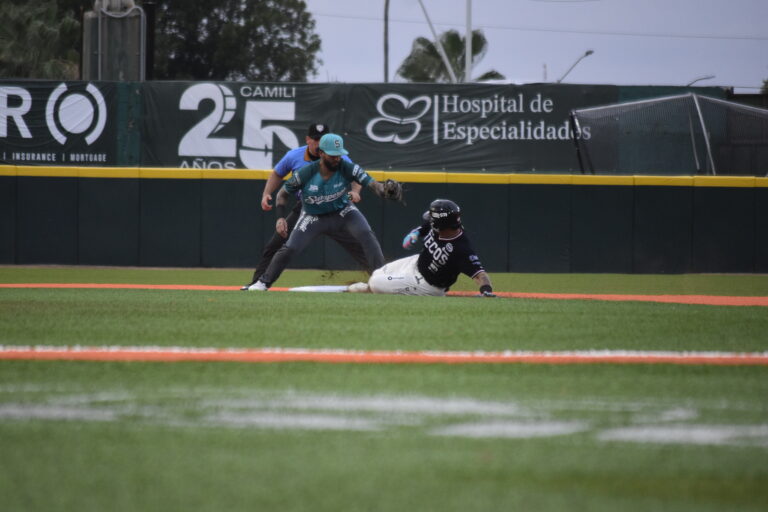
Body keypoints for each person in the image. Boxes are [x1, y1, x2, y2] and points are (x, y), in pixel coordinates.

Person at [247, 133, 402, 291]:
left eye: (339, 154)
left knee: (366, 234)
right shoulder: (306, 172)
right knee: (291, 247)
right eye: (332, 155)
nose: (337, 158)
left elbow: (372, 184)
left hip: (343, 212)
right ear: (321, 153)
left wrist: (385, 189)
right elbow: (282, 194)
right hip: (314, 216)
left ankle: (383, 279)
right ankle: (263, 282)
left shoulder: (346, 167)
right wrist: (280, 218)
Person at [347, 199, 496, 297]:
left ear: (440, 224)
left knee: (375, 283)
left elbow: (480, 274)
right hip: (416, 262)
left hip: (426, 285)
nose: (430, 222)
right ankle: (373, 287)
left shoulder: (461, 248)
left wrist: (486, 291)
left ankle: (368, 289)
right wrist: (415, 233)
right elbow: (426, 226)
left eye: (433, 220)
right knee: (377, 273)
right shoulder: (444, 226)